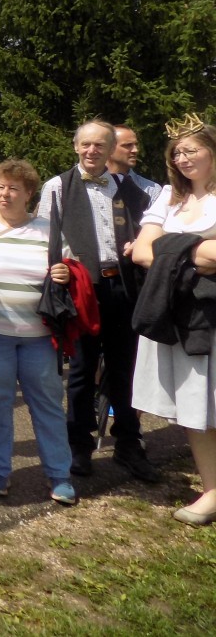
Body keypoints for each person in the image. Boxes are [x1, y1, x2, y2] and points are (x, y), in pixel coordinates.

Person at [39, 120, 158, 482]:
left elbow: (156, 221)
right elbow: (45, 238)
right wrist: (55, 272)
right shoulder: (57, 186)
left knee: (126, 368)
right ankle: (79, 445)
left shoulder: (129, 186)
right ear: (76, 147)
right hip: (82, 290)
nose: (92, 151)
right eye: (86, 145)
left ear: (111, 150)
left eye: (100, 146)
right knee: (80, 371)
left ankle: (128, 443)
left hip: (123, 287)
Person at [0, 159, 77, 505]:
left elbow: (70, 267)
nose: (5, 194)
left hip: (39, 333)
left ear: (29, 194)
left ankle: (59, 475)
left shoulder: (49, 229)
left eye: (13, 189)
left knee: (48, 404)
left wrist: (66, 274)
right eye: (0, 187)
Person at [131, 116, 216, 525]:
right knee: (195, 404)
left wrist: (172, 248)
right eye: (176, 153)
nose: (182, 158)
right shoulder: (168, 198)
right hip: (180, 310)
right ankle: (212, 490)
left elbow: (158, 250)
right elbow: (141, 253)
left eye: (190, 150)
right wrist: (196, 250)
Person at [108, 124, 163, 204]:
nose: (135, 150)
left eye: (136, 145)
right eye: (127, 145)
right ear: (109, 148)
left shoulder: (151, 190)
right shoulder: (91, 185)